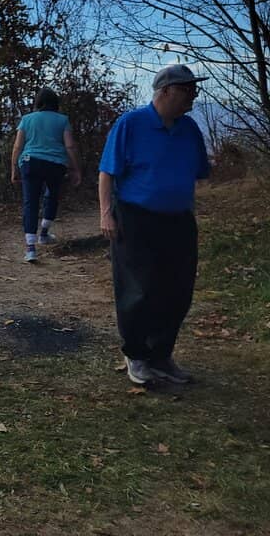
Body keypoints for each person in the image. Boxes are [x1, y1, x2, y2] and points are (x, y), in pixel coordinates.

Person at [98, 64, 210, 386]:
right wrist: (106, 213)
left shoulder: (189, 129)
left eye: (194, 90)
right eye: (186, 89)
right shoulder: (131, 124)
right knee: (139, 288)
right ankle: (137, 356)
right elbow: (107, 171)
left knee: (177, 290)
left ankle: (161, 355)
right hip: (136, 218)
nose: (193, 95)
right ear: (165, 91)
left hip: (178, 220)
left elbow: (199, 171)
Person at [11, 87, 82, 263]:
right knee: (52, 196)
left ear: (38, 103)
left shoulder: (27, 119)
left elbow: (18, 146)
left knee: (30, 202)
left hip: (30, 162)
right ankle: (44, 233)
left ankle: (30, 248)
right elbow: (70, 146)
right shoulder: (62, 120)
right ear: (55, 103)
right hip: (55, 164)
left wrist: (14, 168)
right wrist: (75, 168)